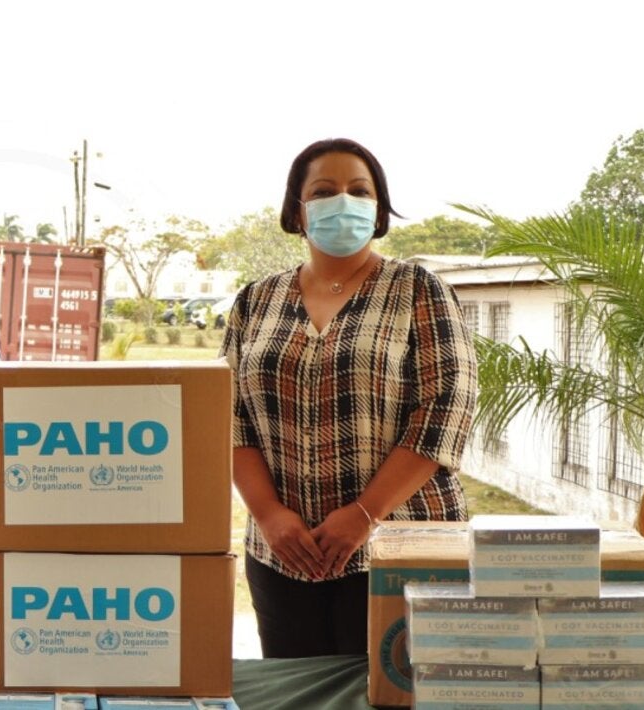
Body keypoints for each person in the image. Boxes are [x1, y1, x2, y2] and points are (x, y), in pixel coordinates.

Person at [221, 138, 477, 658]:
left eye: (359, 190)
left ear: (378, 208)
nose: (343, 200)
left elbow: (446, 408)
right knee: (300, 694)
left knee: (397, 696)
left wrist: (364, 514)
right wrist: (269, 515)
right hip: (282, 557)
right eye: (324, 190)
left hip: (403, 551)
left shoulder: (417, 289)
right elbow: (227, 417)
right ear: (298, 209)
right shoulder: (256, 300)